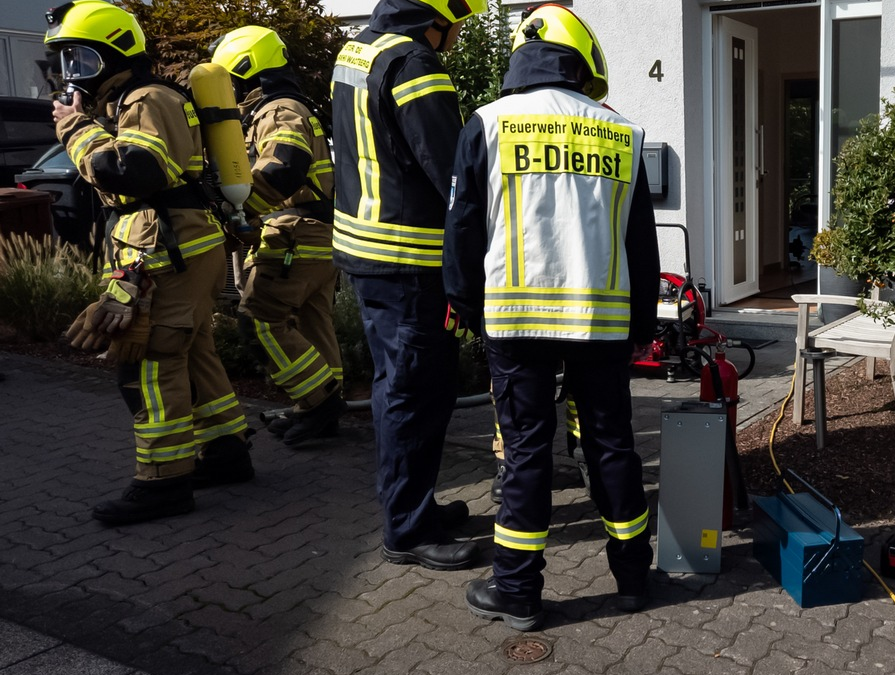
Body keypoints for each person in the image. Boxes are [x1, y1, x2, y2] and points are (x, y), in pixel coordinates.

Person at [443, 3, 661, 631]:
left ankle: (518, 591)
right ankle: (632, 578)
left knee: (527, 451)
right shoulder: (622, 132)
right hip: (602, 318)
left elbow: (460, 227)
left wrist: (462, 303)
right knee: (612, 445)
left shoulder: (486, 123)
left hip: (515, 320)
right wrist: (641, 327)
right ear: (583, 60)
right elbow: (639, 243)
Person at [48, 0, 254, 525]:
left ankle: (163, 483)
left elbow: (133, 170)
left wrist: (75, 131)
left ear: (112, 54)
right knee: (194, 351)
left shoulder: (147, 98)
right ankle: (227, 452)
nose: (71, 76)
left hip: (168, 249)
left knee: (148, 364)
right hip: (180, 245)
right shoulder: (136, 100)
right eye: (66, 62)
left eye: (81, 61)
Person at [330, 0, 484, 570]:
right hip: (407, 261)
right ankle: (409, 530)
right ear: (433, 18)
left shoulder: (358, 50)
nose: (453, 40)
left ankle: (415, 506)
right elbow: (453, 172)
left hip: (370, 255)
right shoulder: (415, 66)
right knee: (414, 394)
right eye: (453, 29)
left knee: (400, 388)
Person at [208, 26, 345, 446]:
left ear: (246, 69)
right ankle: (319, 408)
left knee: (260, 321)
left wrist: (240, 208)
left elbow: (284, 164)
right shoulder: (289, 105)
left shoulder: (277, 110)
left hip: (295, 235)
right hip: (315, 236)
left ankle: (319, 404)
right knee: (312, 323)